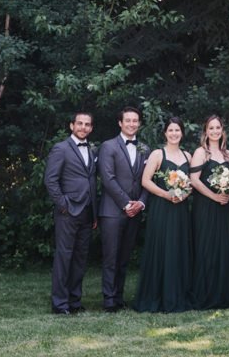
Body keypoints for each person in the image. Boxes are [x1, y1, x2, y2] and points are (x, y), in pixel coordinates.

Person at [133, 116, 194, 312]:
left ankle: (178, 294)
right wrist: (166, 194)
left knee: (178, 248)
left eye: (177, 130)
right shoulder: (157, 154)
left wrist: (183, 194)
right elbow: (146, 180)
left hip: (181, 210)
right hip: (162, 208)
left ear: (182, 133)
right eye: (171, 130)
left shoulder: (188, 156)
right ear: (165, 133)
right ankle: (157, 295)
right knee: (162, 248)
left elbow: (192, 183)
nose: (174, 134)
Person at [188, 114, 229, 309]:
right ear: (206, 131)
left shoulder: (228, 155)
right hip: (206, 207)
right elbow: (194, 180)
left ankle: (225, 295)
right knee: (207, 248)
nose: (214, 131)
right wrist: (214, 196)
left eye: (217, 128)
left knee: (225, 247)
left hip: (224, 207)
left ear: (222, 130)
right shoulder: (201, 153)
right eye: (211, 128)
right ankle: (207, 294)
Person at [44, 110, 96, 315]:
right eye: (80, 124)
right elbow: (50, 180)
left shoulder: (91, 150)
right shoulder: (61, 148)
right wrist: (63, 204)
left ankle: (75, 301)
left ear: (91, 128)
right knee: (64, 258)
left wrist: (94, 214)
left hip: (87, 211)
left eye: (87, 124)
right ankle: (60, 304)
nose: (83, 127)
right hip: (68, 211)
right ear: (71, 125)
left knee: (80, 258)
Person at [97, 105, 148, 312]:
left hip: (135, 210)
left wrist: (141, 203)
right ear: (120, 123)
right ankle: (109, 300)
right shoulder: (108, 146)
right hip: (112, 211)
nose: (131, 124)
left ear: (139, 123)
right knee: (111, 257)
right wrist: (127, 204)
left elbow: (148, 179)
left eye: (135, 120)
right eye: (128, 120)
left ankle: (118, 297)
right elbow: (108, 179)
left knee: (124, 257)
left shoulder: (145, 148)